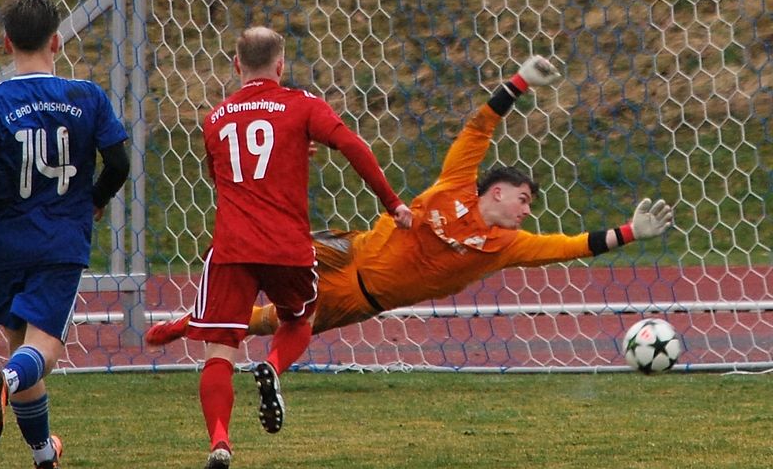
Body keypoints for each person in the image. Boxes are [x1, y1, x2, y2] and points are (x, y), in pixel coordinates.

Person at [146, 54, 674, 349]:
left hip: (364, 299)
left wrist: (629, 232)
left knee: (269, 322)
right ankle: (205, 315)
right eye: (524, 197)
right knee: (271, 254)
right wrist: (518, 83)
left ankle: (192, 329)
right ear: (496, 190)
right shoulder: (454, 183)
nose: (527, 208)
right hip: (346, 249)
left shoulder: (506, 246)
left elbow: (571, 246)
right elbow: (478, 128)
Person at [188, 26, 412, 469]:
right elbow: (353, 145)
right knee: (299, 320)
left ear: (236, 65)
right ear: (281, 65)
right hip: (286, 245)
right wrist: (393, 203)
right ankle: (272, 366)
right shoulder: (302, 104)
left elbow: (223, 178)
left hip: (232, 247)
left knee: (220, 349)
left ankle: (220, 442)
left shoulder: (214, 119)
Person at [0, 0, 130, 469]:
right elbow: (121, 163)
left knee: (20, 344)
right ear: (56, 41)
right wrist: (95, 198)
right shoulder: (87, 96)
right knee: (42, 351)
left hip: (1, 243)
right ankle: (2, 382)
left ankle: (44, 455)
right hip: (58, 240)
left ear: (6, 43)